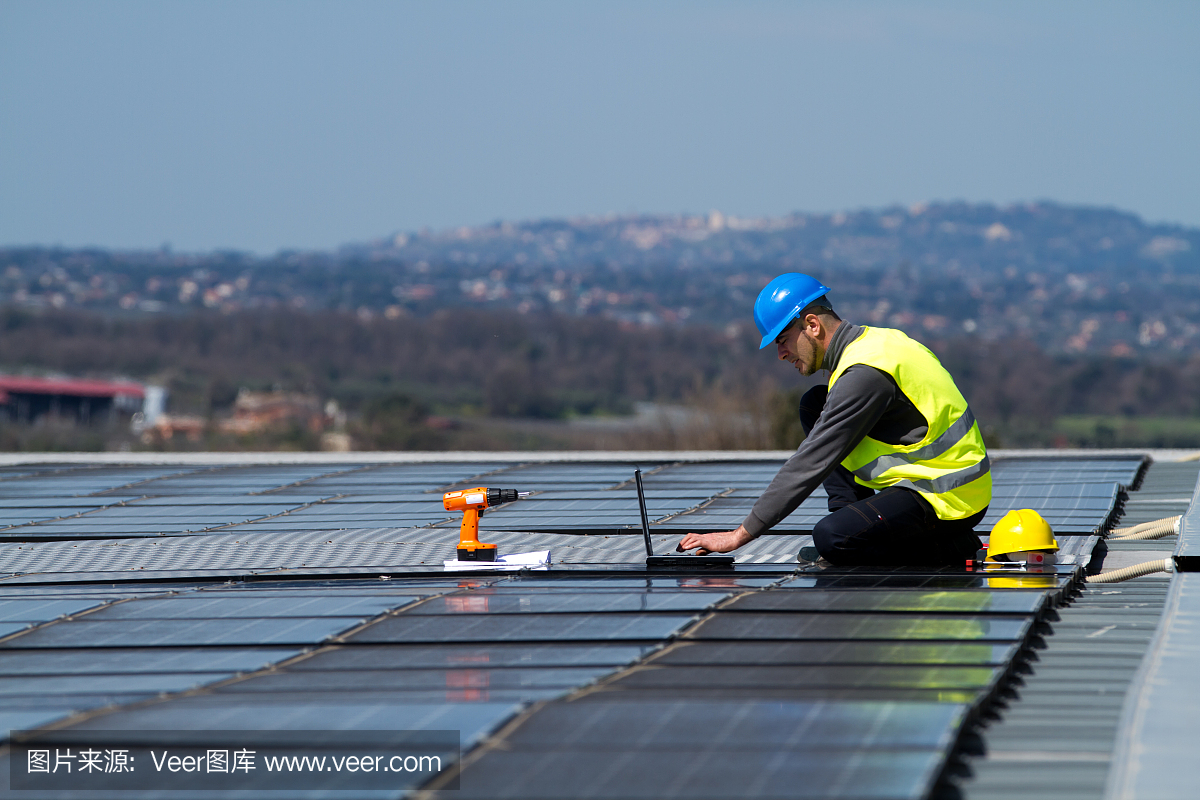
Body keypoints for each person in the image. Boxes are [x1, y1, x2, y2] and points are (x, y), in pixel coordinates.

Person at [677, 273, 991, 566]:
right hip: (937, 484)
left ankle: (955, 546)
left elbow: (810, 461)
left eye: (782, 340)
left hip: (950, 497)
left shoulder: (864, 375)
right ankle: (853, 518)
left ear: (812, 325)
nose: (781, 354)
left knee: (832, 538)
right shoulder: (874, 344)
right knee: (815, 404)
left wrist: (740, 535)